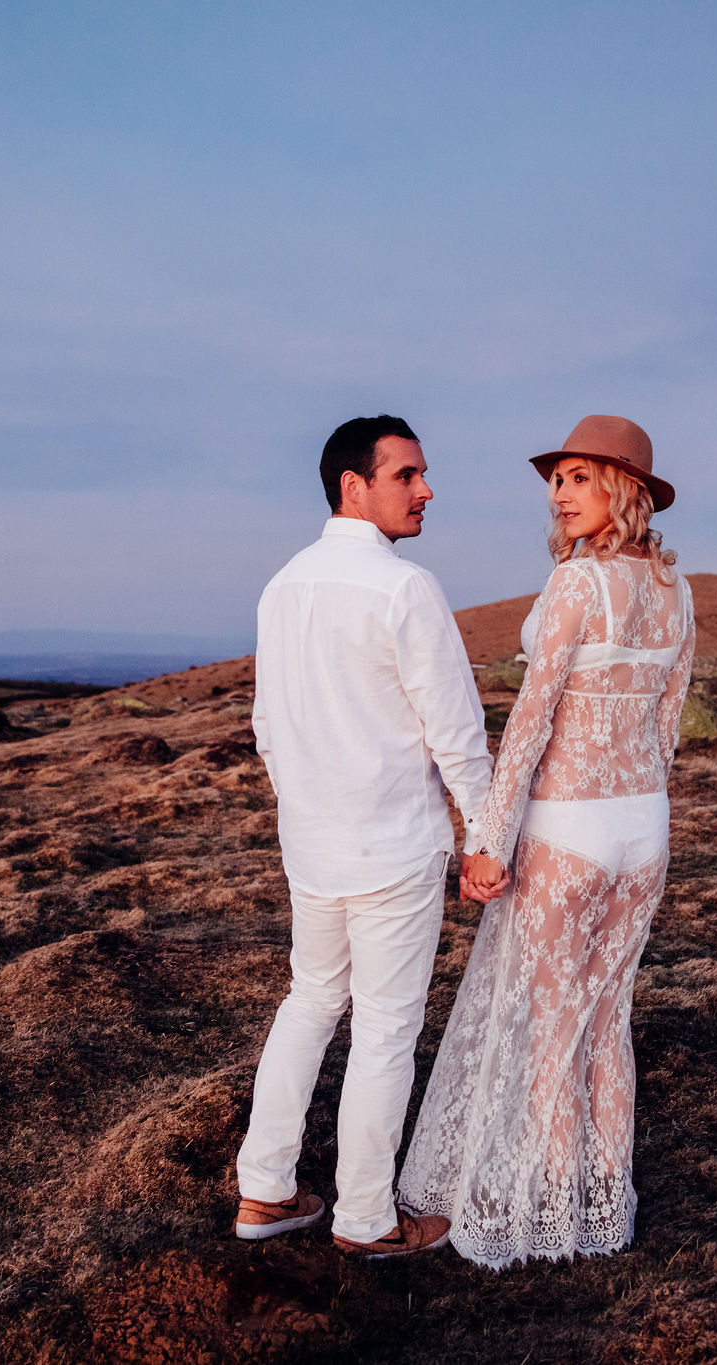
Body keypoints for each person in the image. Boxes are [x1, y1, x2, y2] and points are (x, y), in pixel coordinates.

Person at [398, 414, 694, 1269]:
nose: (561, 495)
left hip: (568, 827)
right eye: (557, 479)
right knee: (607, 1020)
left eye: (580, 478)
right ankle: (605, 1208)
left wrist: (487, 836)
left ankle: (557, 1210)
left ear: (623, 491)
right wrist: (640, 802)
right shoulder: (676, 589)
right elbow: (666, 723)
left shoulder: (577, 585)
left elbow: (530, 720)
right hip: (645, 827)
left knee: (552, 1024)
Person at [233, 414, 502, 1259]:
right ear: (355, 484)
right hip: (391, 844)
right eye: (408, 475)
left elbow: (267, 726)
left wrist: (305, 809)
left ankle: (265, 1191)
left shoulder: (282, 586)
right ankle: (364, 1218)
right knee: (384, 1028)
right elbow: (455, 729)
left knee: (309, 1003)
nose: (426, 491)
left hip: (313, 846)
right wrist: (484, 836)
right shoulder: (403, 588)